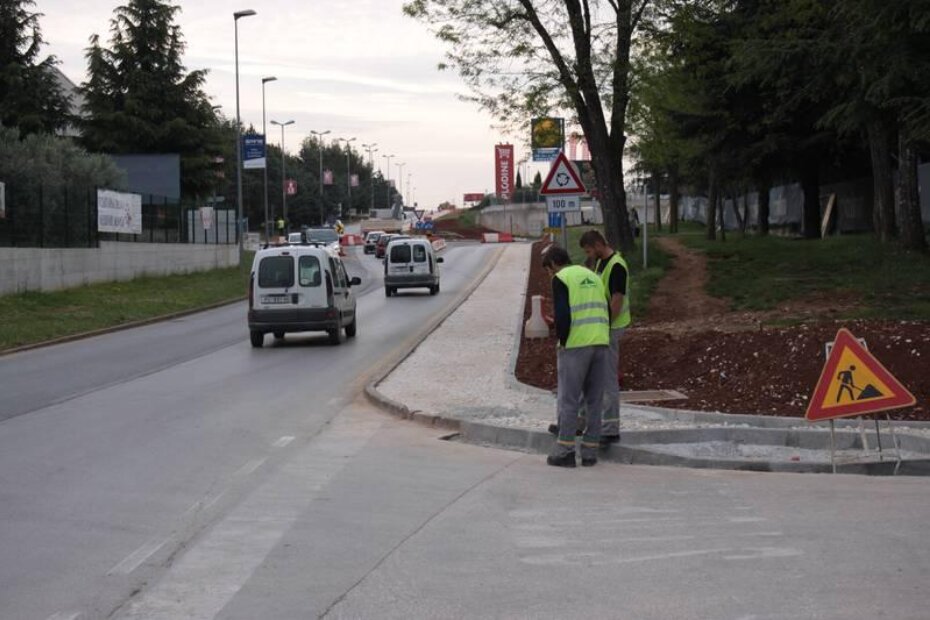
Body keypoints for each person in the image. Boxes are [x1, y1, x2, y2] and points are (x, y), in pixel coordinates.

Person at [542, 245, 610, 468]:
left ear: (553, 264)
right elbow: (606, 309)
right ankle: (590, 453)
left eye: (548, 271)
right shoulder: (594, 276)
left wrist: (562, 341)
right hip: (601, 341)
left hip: (576, 345)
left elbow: (563, 314)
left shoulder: (561, 277)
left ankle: (565, 450)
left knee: (569, 399)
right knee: (594, 400)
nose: (550, 275)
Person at [579, 229, 631, 447]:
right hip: (600, 328)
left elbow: (617, 302)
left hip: (610, 328)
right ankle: (579, 422)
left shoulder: (616, 265)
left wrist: (604, 325)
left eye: (590, 250)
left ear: (599, 244)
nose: (589, 254)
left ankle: (610, 429)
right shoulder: (601, 263)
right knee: (588, 375)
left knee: (607, 379)